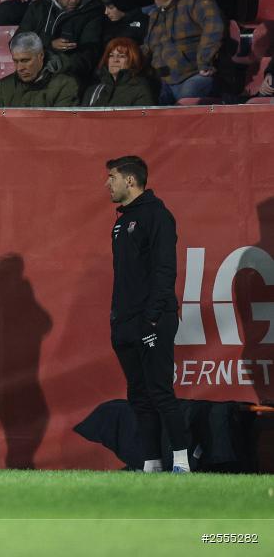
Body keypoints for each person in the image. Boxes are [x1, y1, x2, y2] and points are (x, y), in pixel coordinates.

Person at [105, 155, 190, 473]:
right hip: (125, 323)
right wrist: (117, 320)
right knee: (138, 396)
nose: (107, 183)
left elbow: (165, 270)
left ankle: (181, 463)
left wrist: (151, 318)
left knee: (160, 392)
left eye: (112, 177)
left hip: (153, 320)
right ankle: (151, 464)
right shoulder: (120, 222)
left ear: (130, 180)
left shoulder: (158, 216)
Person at [143, 0, 224, 105]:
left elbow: (214, 26)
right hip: (163, 79)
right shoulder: (157, 13)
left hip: (192, 75)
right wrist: (128, 57)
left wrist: (204, 61)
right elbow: (148, 46)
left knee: (187, 100)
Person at [18, 0, 105, 85]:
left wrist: (58, 64)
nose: (73, 0)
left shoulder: (93, 11)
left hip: (69, 77)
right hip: (32, 73)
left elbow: (89, 54)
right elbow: (18, 42)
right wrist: (48, 44)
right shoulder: (38, 7)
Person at [0, 32, 80, 107]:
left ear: (41, 56)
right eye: (16, 61)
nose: (19, 68)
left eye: (25, 60)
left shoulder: (64, 85)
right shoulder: (5, 85)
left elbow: (61, 121)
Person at [82, 37, 154, 106]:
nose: (115, 60)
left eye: (121, 56)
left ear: (132, 61)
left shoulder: (140, 90)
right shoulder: (93, 91)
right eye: (111, 55)